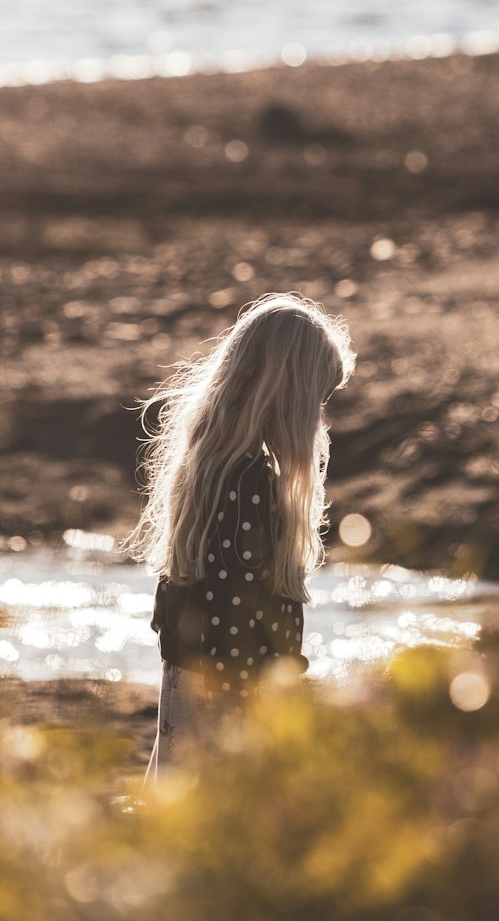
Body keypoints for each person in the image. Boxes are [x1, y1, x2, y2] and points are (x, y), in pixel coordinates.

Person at [121, 292, 355, 784]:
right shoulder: (250, 480)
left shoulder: (212, 463)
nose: (319, 417)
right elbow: (236, 606)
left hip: (191, 676)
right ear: (288, 393)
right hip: (228, 691)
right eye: (317, 398)